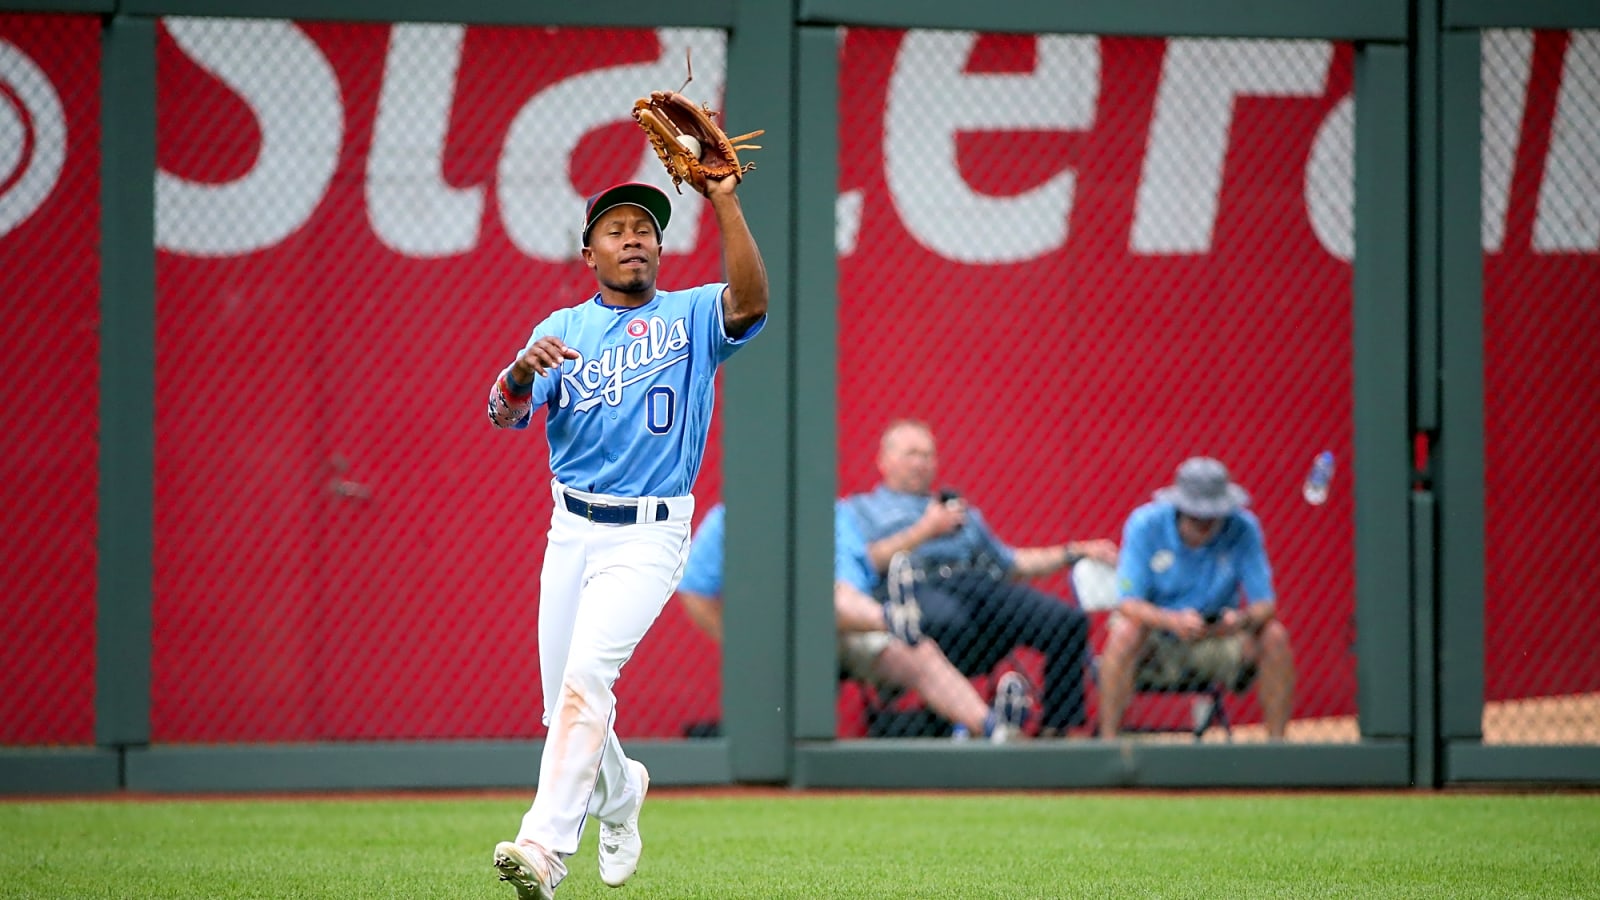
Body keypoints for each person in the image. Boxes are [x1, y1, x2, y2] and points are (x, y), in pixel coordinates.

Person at [485, 176, 767, 900]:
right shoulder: (563, 329)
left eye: (645, 229)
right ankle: (621, 793)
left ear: (661, 249)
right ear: (590, 254)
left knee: (586, 680)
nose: (633, 238)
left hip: (648, 533)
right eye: (616, 230)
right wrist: (519, 373)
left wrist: (725, 201)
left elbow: (750, 304)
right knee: (562, 704)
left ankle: (544, 849)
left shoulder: (691, 316)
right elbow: (503, 413)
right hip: (571, 527)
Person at [843, 419, 1119, 738]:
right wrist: (926, 530)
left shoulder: (960, 513)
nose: (921, 463)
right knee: (946, 622)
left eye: (928, 455)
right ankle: (963, 725)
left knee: (1066, 622)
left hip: (975, 585)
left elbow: (1012, 563)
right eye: (911, 454)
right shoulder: (861, 510)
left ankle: (1058, 731)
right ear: (884, 461)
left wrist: (1074, 551)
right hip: (916, 587)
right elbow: (868, 561)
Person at [675, 503, 1027, 742]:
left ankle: (993, 728)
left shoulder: (834, 516)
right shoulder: (729, 518)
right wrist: (736, 643)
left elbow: (851, 581)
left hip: (845, 627)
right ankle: (891, 617)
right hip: (776, 639)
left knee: (918, 651)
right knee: (829, 603)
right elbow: (694, 590)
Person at [1098, 457, 1296, 740]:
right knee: (1124, 632)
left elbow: (1266, 605)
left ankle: (1277, 746)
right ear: (1179, 507)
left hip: (1218, 639)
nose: (1204, 523)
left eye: (1212, 515)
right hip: (1157, 639)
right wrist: (1172, 621)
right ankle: (1108, 744)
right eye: (1196, 515)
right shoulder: (1145, 525)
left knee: (1274, 635)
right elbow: (1128, 603)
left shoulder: (1244, 528)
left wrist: (1239, 620)